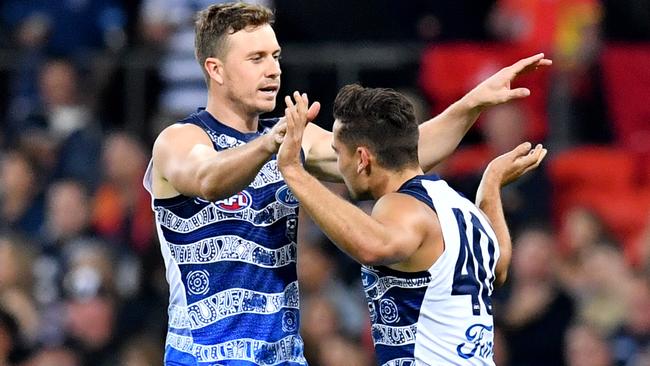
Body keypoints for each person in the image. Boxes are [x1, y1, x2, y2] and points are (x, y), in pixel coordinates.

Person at [143, 2, 551, 364]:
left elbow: (395, 156)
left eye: (276, 56)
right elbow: (208, 179)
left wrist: (470, 103)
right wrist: (272, 144)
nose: (274, 69)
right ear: (215, 69)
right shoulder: (181, 140)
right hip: (203, 356)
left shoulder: (289, 138)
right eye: (256, 58)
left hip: (284, 356)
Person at [276, 86, 547, 365]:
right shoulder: (462, 208)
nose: (338, 166)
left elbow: (374, 246)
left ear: (362, 158)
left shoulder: (400, 206)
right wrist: (490, 185)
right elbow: (498, 266)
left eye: (338, 154)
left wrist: (295, 172)